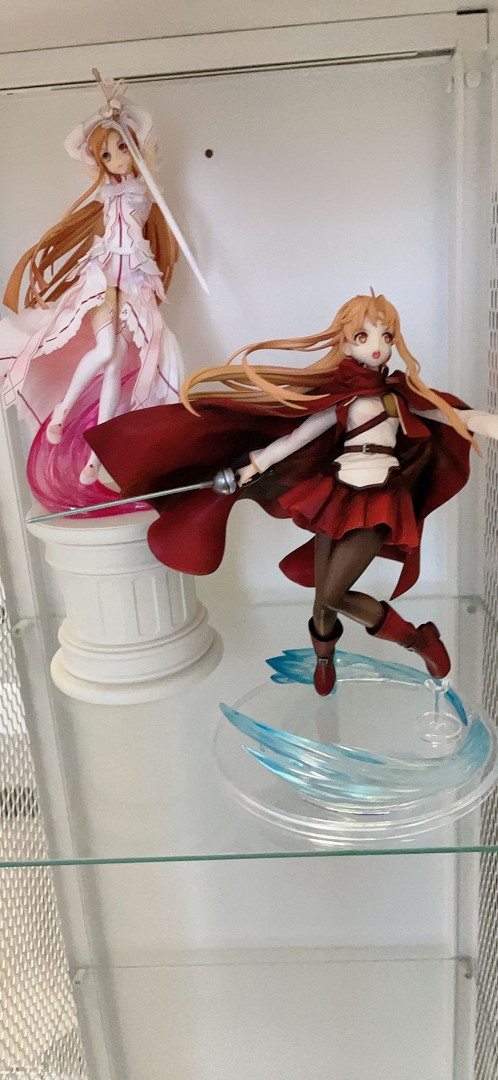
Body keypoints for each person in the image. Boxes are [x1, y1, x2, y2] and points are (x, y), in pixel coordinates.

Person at [86, 291, 498, 694]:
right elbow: (297, 438)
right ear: (345, 343)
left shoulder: (397, 397)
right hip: (339, 496)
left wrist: (484, 421)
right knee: (322, 602)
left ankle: (418, 640)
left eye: (386, 336)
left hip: (380, 499)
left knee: (333, 594)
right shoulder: (341, 399)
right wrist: (251, 467)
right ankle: (325, 657)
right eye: (363, 336)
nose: (377, 346)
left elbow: (451, 415)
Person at [0, 76, 184, 504]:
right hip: (103, 281)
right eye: (106, 153)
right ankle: (63, 410)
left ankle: (96, 459)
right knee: (104, 352)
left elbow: (145, 127)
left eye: (121, 148)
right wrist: (104, 113)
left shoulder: (145, 189)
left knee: (115, 361)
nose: (115, 158)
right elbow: (73, 145)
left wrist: (125, 110)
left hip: (134, 281)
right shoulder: (105, 191)